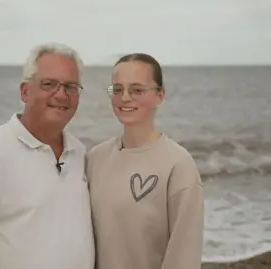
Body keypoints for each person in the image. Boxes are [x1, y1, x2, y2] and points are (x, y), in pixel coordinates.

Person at [0, 42, 95, 269]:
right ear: (25, 91)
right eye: (49, 84)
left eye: (71, 87)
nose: (61, 95)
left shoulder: (79, 153)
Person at [86, 53, 204, 269]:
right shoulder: (95, 158)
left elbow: (184, 257)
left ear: (160, 95)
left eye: (137, 90)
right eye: (118, 89)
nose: (125, 98)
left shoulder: (178, 165)